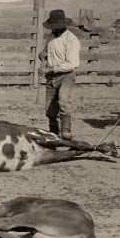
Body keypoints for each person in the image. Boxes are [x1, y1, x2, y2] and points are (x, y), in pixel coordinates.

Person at [41, 9, 80, 140]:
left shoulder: (71, 40)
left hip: (66, 76)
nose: (54, 29)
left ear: (63, 25)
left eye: (56, 26)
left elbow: (71, 64)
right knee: (49, 109)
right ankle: (54, 133)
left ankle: (66, 131)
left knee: (63, 101)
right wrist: (43, 54)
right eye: (52, 27)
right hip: (52, 77)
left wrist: (50, 69)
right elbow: (47, 51)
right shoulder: (51, 37)